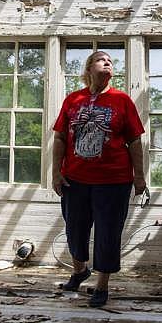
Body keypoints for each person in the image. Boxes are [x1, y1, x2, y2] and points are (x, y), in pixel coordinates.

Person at [52, 50, 147, 308]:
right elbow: (60, 137)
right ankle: (79, 270)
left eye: (111, 61)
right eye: (101, 60)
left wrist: (139, 177)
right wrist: (55, 172)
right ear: (88, 68)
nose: (108, 63)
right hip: (75, 179)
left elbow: (135, 141)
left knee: (108, 232)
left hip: (114, 181)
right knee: (75, 229)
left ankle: (102, 285)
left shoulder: (122, 100)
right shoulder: (73, 100)